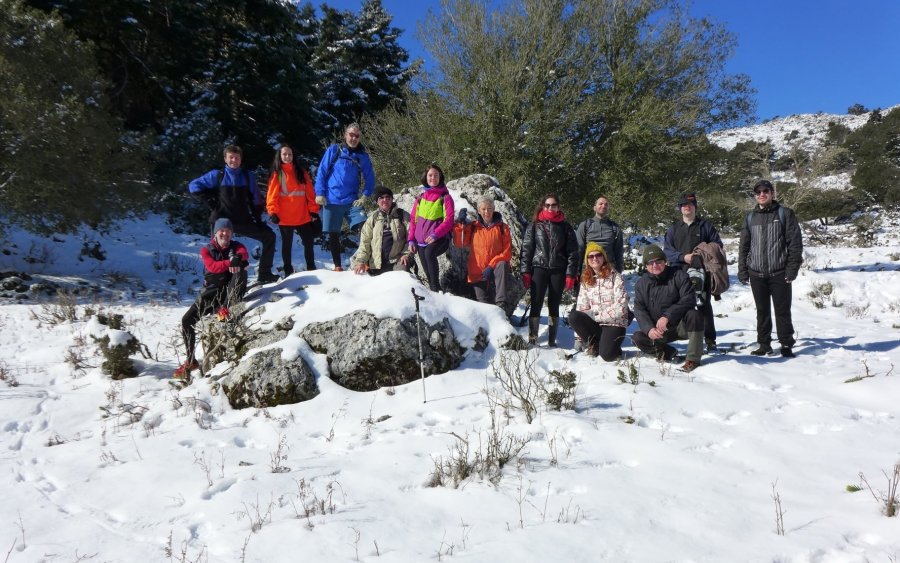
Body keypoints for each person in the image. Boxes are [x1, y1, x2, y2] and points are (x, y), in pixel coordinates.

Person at [188, 145, 278, 284]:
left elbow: (256, 199)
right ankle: (216, 285)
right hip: (221, 222)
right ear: (225, 159)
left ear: (241, 159)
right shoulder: (217, 175)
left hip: (242, 220)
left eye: (237, 158)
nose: (234, 160)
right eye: (231, 157)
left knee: (269, 236)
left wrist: (258, 218)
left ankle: (264, 273)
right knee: (217, 254)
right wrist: (210, 201)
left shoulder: (248, 176)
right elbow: (193, 186)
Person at [175, 218, 249, 379]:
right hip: (210, 293)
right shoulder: (206, 250)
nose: (225, 233)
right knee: (186, 321)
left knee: (242, 268)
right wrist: (230, 262)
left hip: (230, 292)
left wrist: (239, 259)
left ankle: (225, 307)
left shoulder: (237, 246)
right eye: (222, 230)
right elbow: (212, 267)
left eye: (228, 231)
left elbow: (244, 253)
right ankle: (190, 361)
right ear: (215, 233)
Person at [737, 180, 803, 358]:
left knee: (782, 311)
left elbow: (795, 244)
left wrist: (792, 269)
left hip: (779, 272)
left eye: (765, 191)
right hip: (756, 273)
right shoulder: (750, 218)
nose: (761, 194)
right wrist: (742, 269)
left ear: (772, 193)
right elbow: (744, 246)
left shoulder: (784, 214)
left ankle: (786, 343)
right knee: (762, 311)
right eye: (758, 192)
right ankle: (764, 344)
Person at [663, 193, 724, 352]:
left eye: (690, 204)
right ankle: (677, 337)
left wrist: (701, 256)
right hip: (678, 274)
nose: (686, 207)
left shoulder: (705, 226)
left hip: (702, 275)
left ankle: (710, 340)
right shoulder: (674, 229)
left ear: (695, 206)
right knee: (678, 306)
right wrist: (684, 257)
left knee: (704, 306)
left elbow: (717, 246)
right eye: (683, 204)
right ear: (680, 208)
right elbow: (668, 251)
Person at [631, 244, 704, 372]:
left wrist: (667, 316)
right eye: (650, 263)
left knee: (694, 315)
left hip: (681, 327)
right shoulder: (641, 284)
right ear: (646, 265)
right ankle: (668, 353)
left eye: (658, 261)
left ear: (665, 261)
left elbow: (689, 299)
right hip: (660, 331)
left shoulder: (678, 275)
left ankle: (693, 359)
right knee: (637, 338)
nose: (655, 265)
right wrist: (649, 329)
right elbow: (639, 309)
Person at [314, 123, 376, 271]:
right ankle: (337, 266)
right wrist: (320, 193)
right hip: (331, 199)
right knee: (333, 233)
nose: (353, 138)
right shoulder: (334, 150)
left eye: (357, 136)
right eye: (351, 135)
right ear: (345, 135)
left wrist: (365, 195)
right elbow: (322, 172)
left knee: (365, 227)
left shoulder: (362, 156)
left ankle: (366, 261)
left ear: (360, 138)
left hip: (352, 201)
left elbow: (370, 177)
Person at [520, 193, 578, 347]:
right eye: (547, 205)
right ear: (542, 206)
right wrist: (525, 271)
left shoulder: (565, 227)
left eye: (553, 205)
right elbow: (527, 249)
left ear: (558, 207)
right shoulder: (535, 225)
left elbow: (573, 252)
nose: (550, 208)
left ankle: (552, 340)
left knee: (554, 305)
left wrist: (571, 273)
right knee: (536, 303)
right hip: (539, 267)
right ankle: (533, 338)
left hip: (558, 269)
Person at [266, 144, 321, 276]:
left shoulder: (301, 172)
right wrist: (273, 211)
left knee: (308, 243)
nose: (287, 157)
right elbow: (272, 194)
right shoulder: (277, 173)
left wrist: (313, 209)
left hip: (302, 215)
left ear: (293, 156)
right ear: (279, 156)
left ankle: (311, 268)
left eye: (290, 154)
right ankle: (288, 271)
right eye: (284, 154)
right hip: (285, 217)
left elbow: (310, 192)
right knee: (287, 246)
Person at [567, 242, 629, 360]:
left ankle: (610, 347)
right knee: (574, 316)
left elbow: (621, 307)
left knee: (607, 356)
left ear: (603, 257)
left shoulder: (616, 277)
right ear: (587, 260)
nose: (594, 258)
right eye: (591, 256)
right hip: (596, 325)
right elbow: (581, 307)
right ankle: (594, 345)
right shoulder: (586, 280)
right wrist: (579, 338)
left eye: (598, 255)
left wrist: (597, 317)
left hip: (614, 323)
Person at [452, 196, 513, 314]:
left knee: (502, 263)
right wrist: (460, 225)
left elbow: (507, 252)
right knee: (483, 306)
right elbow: (460, 243)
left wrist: (491, 266)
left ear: (494, 209)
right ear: (478, 210)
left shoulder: (502, 227)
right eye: (483, 209)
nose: (487, 212)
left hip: (495, 269)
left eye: (489, 208)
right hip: (477, 272)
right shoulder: (473, 226)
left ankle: (501, 304)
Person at [408, 164, 455, 292]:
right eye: (430, 175)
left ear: (440, 177)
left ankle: (436, 290)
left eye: (436, 175)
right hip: (421, 242)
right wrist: (411, 239)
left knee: (430, 254)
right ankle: (433, 292)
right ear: (426, 177)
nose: (433, 178)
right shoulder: (421, 198)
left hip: (440, 238)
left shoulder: (445, 197)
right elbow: (413, 220)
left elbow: (449, 220)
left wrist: (435, 234)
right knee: (427, 270)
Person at [351, 185, 413, 275]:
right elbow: (365, 242)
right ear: (377, 201)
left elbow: (412, 237)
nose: (385, 200)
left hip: (398, 261)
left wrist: (406, 254)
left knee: (400, 281)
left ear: (392, 199)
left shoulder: (402, 215)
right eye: (381, 198)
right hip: (376, 265)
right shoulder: (372, 219)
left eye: (388, 197)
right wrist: (361, 261)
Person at [575, 196, 624, 273]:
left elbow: (619, 251)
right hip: (589, 270)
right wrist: (576, 271)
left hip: (609, 269)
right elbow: (579, 249)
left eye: (606, 204)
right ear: (594, 207)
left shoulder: (615, 228)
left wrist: (619, 270)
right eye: (600, 204)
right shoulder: (585, 226)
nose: (603, 206)